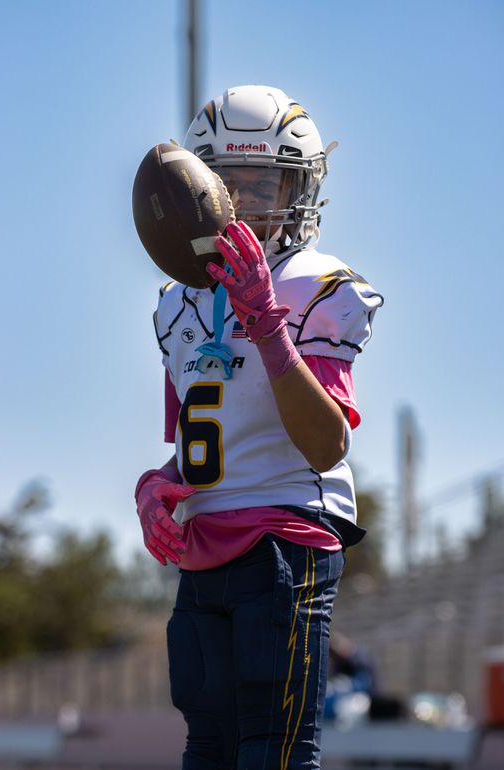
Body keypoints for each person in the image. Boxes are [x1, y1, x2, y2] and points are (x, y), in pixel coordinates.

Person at [135, 85, 383, 770]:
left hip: (284, 535)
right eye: (227, 183)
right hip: (203, 542)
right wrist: (157, 485)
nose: (244, 202)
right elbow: (195, 441)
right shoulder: (175, 303)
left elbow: (326, 443)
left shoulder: (314, 286)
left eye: (263, 181)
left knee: (272, 751)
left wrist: (269, 327)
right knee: (206, 747)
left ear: (298, 186)